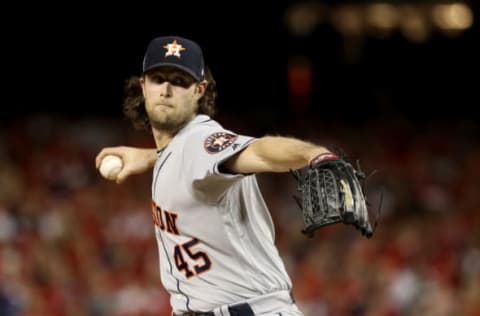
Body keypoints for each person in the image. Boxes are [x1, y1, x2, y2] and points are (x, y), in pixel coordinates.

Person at [96, 35, 339, 316]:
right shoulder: (179, 151)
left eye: (179, 81)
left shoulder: (201, 139)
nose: (165, 89)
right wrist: (151, 156)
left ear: (199, 90)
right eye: (157, 78)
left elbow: (258, 151)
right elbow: (182, 159)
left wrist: (313, 154)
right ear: (143, 86)